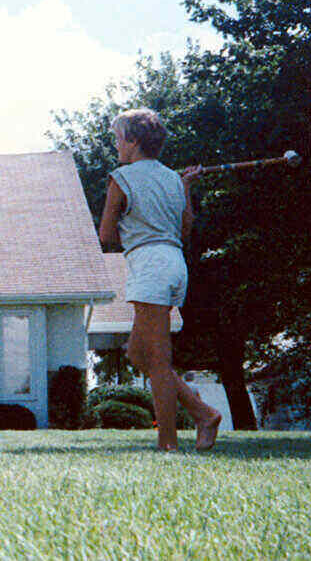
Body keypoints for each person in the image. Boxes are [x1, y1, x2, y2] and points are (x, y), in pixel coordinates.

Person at [98, 108, 222, 451]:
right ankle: (202, 412)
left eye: (119, 138)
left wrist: (138, 236)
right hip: (174, 262)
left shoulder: (120, 178)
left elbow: (106, 234)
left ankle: (168, 444)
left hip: (149, 264)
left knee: (157, 360)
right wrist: (182, 188)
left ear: (133, 141)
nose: (117, 146)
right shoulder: (173, 178)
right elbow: (185, 228)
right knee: (137, 354)